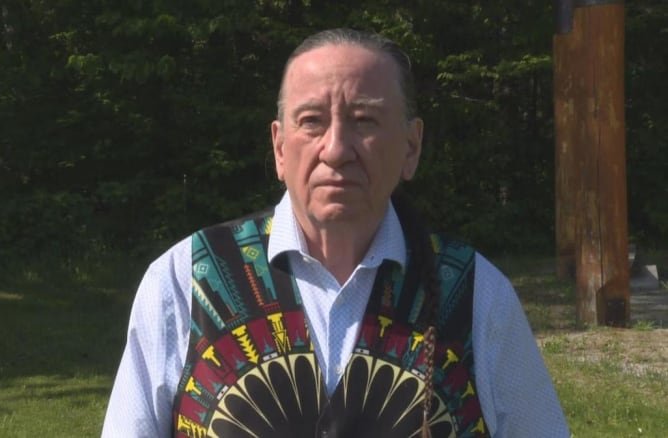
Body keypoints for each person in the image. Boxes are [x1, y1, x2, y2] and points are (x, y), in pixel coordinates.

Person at [102, 28, 569, 437]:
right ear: (280, 147)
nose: (337, 148)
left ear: (411, 146)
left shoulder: (476, 295)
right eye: (311, 122)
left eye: (365, 120)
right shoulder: (185, 282)